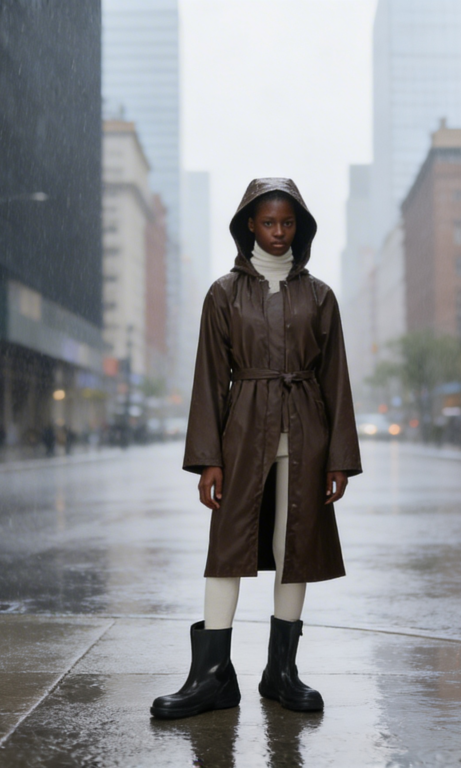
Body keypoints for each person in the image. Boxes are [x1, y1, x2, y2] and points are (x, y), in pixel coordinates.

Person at [151, 179, 362, 720]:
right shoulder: (224, 293)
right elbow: (209, 378)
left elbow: (335, 377)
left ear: (300, 227)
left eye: (287, 223)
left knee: (296, 547)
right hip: (243, 431)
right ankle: (212, 676)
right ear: (250, 224)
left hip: (306, 432)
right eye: (267, 223)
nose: (277, 233)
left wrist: (339, 457)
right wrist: (208, 459)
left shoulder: (319, 296)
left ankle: (282, 672)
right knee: (227, 545)